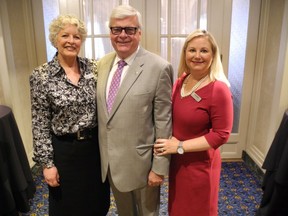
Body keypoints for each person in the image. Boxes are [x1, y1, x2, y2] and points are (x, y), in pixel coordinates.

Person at [96, 4, 173, 216]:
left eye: (129, 29)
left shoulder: (159, 67)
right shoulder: (103, 64)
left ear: (139, 32)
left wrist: (159, 167)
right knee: (124, 212)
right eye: (116, 29)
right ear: (110, 33)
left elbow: (163, 122)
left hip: (143, 165)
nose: (122, 35)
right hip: (111, 163)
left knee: (148, 213)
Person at [29, 14, 110, 216]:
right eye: (65, 35)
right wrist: (47, 164)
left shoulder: (93, 68)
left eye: (76, 37)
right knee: (66, 207)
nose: (71, 41)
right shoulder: (41, 76)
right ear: (55, 39)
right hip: (64, 152)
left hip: (94, 150)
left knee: (97, 204)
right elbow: (39, 123)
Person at [154, 29, 234, 216]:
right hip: (178, 163)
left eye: (204, 51)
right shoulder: (181, 81)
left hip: (200, 166)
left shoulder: (218, 89)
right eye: (192, 50)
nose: (197, 56)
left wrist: (180, 146)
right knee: (178, 209)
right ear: (185, 54)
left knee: (197, 210)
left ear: (213, 55)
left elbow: (221, 135)